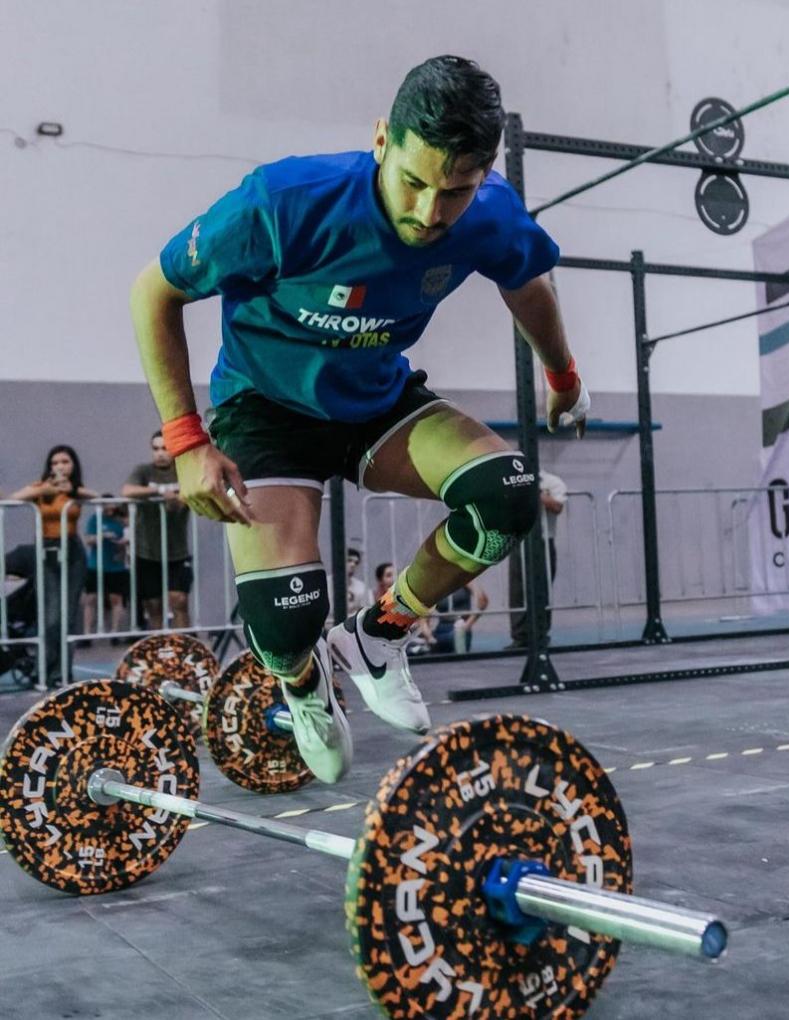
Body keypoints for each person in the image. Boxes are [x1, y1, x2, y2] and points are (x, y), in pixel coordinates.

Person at [129, 55, 589, 785]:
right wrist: (187, 440)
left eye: (456, 192)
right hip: (266, 410)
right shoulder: (283, 203)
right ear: (381, 140)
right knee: (286, 623)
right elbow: (153, 293)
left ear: (482, 176)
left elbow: (526, 281)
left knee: (508, 496)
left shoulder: (491, 212)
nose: (429, 214)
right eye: (414, 182)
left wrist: (562, 375)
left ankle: (378, 636)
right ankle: (304, 684)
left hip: (376, 402)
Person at [11, 446, 96, 685]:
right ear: (49, 466)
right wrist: (46, 488)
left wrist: (74, 490)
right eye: (55, 462)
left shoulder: (75, 490)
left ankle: (62, 673)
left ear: (73, 465)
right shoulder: (40, 487)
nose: (60, 466)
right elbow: (15, 498)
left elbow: (100, 497)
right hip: (46, 550)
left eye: (65, 462)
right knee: (51, 617)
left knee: (67, 616)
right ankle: (44, 669)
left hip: (72, 550)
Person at [122, 432, 192, 631]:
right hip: (147, 550)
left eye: (165, 448)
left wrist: (179, 501)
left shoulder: (183, 471)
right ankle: (159, 647)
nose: (160, 453)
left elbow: (194, 492)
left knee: (179, 600)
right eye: (156, 448)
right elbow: (127, 491)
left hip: (177, 551)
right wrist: (160, 492)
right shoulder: (143, 471)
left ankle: (182, 644)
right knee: (153, 606)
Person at [507, 469, 567, 649]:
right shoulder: (510, 481)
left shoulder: (553, 482)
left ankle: (541, 634)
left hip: (543, 541)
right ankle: (520, 637)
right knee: (517, 591)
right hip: (519, 540)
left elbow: (558, 507)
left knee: (542, 589)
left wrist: (537, 494)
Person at [82, 496, 130, 642]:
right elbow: (88, 540)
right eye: (107, 507)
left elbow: (128, 536)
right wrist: (102, 536)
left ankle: (114, 633)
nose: (110, 510)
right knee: (91, 599)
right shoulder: (95, 519)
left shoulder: (120, 521)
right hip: (95, 565)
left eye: (112, 507)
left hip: (116, 566)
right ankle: (87, 634)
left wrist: (122, 544)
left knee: (116, 599)